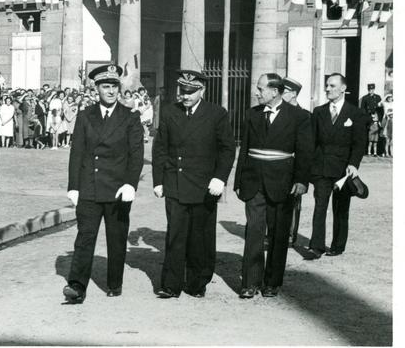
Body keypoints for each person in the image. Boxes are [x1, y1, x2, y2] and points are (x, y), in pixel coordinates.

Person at [63, 64, 145, 303]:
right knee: (84, 238)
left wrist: (131, 184)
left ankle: (114, 282)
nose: (110, 91)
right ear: (96, 89)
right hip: (89, 187)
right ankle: (76, 285)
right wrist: (73, 186)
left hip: (118, 189)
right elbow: (77, 152)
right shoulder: (85, 115)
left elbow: (136, 154)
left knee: (116, 238)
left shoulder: (130, 117)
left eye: (114, 86)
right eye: (105, 86)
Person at [152, 70, 235, 299]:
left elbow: (227, 149)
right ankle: (171, 284)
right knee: (175, 235)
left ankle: (198, 282)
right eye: (183, 91)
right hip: (176, 184)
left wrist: (220, 177)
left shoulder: (216, 114)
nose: (186, 96)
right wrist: (158, 180)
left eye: (191, 91)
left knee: (201, 236)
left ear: (202, 91)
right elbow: (160, 148)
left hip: (205, 185)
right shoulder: (170, 112)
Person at [234, 73, 313, 298]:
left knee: (278, 234)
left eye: (260, 89)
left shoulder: (299, 117)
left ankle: (272, 282)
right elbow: (244, 150)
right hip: (253, 181)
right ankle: (250, 282)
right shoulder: (252, 114)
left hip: (283, 183)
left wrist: (301, 181)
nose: (256, 93)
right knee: (254, 232)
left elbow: (305, 153)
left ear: (275, 92)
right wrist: (239, 180)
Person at [308, 73, 367, 259]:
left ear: (343, 88)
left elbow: (359, 143)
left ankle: (337, 246)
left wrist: (353, 164)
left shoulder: (355, 113)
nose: (328, 89)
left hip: (343, 170)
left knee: (341, 209)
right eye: (327, 85)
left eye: (332, 86)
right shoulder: (318, 112)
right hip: (322, 168)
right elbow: (312, 141)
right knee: (320, 206)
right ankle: (316, 247)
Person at [281, 77, 311, 247]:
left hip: (294, 165)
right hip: (278, 165)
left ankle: (290, 234)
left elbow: (307, 149)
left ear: (293, 94)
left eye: (283, 91)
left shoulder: (305, 116)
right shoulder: (276, 112)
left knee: (293, 201)